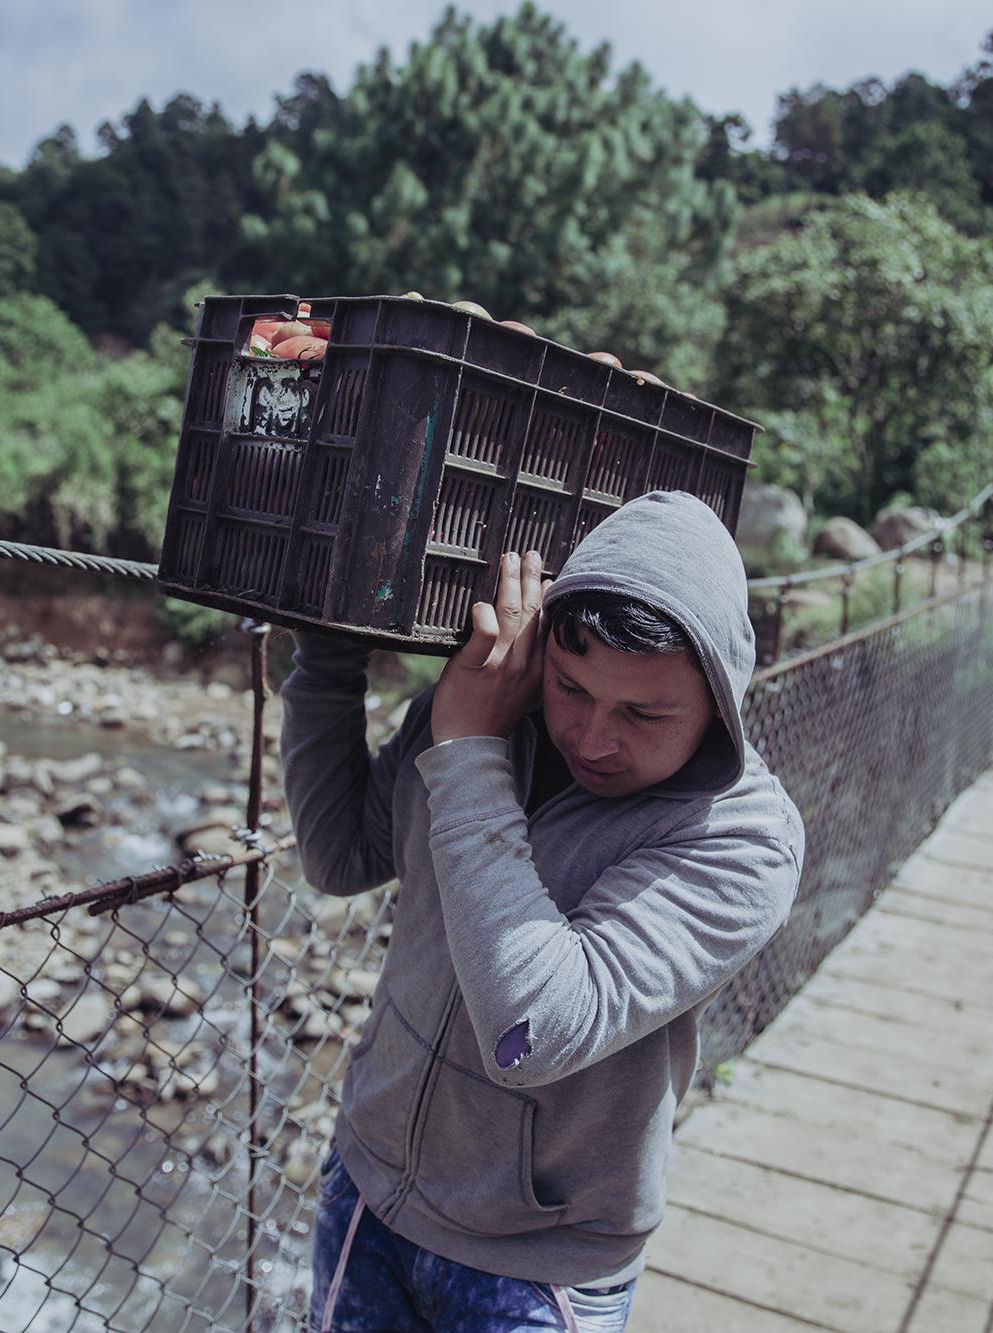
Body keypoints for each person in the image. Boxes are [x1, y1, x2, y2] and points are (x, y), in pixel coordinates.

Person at [281, 490, 805, 1332]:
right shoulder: (494, 708)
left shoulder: (742, 840)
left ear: (720, 701)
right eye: (571, 687)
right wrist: (328, 654)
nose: (592, 735)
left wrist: (466, 754)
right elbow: (340, 854)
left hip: (539, 1267)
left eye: (643, 712)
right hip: (371, 1192)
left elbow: (534, 1030)